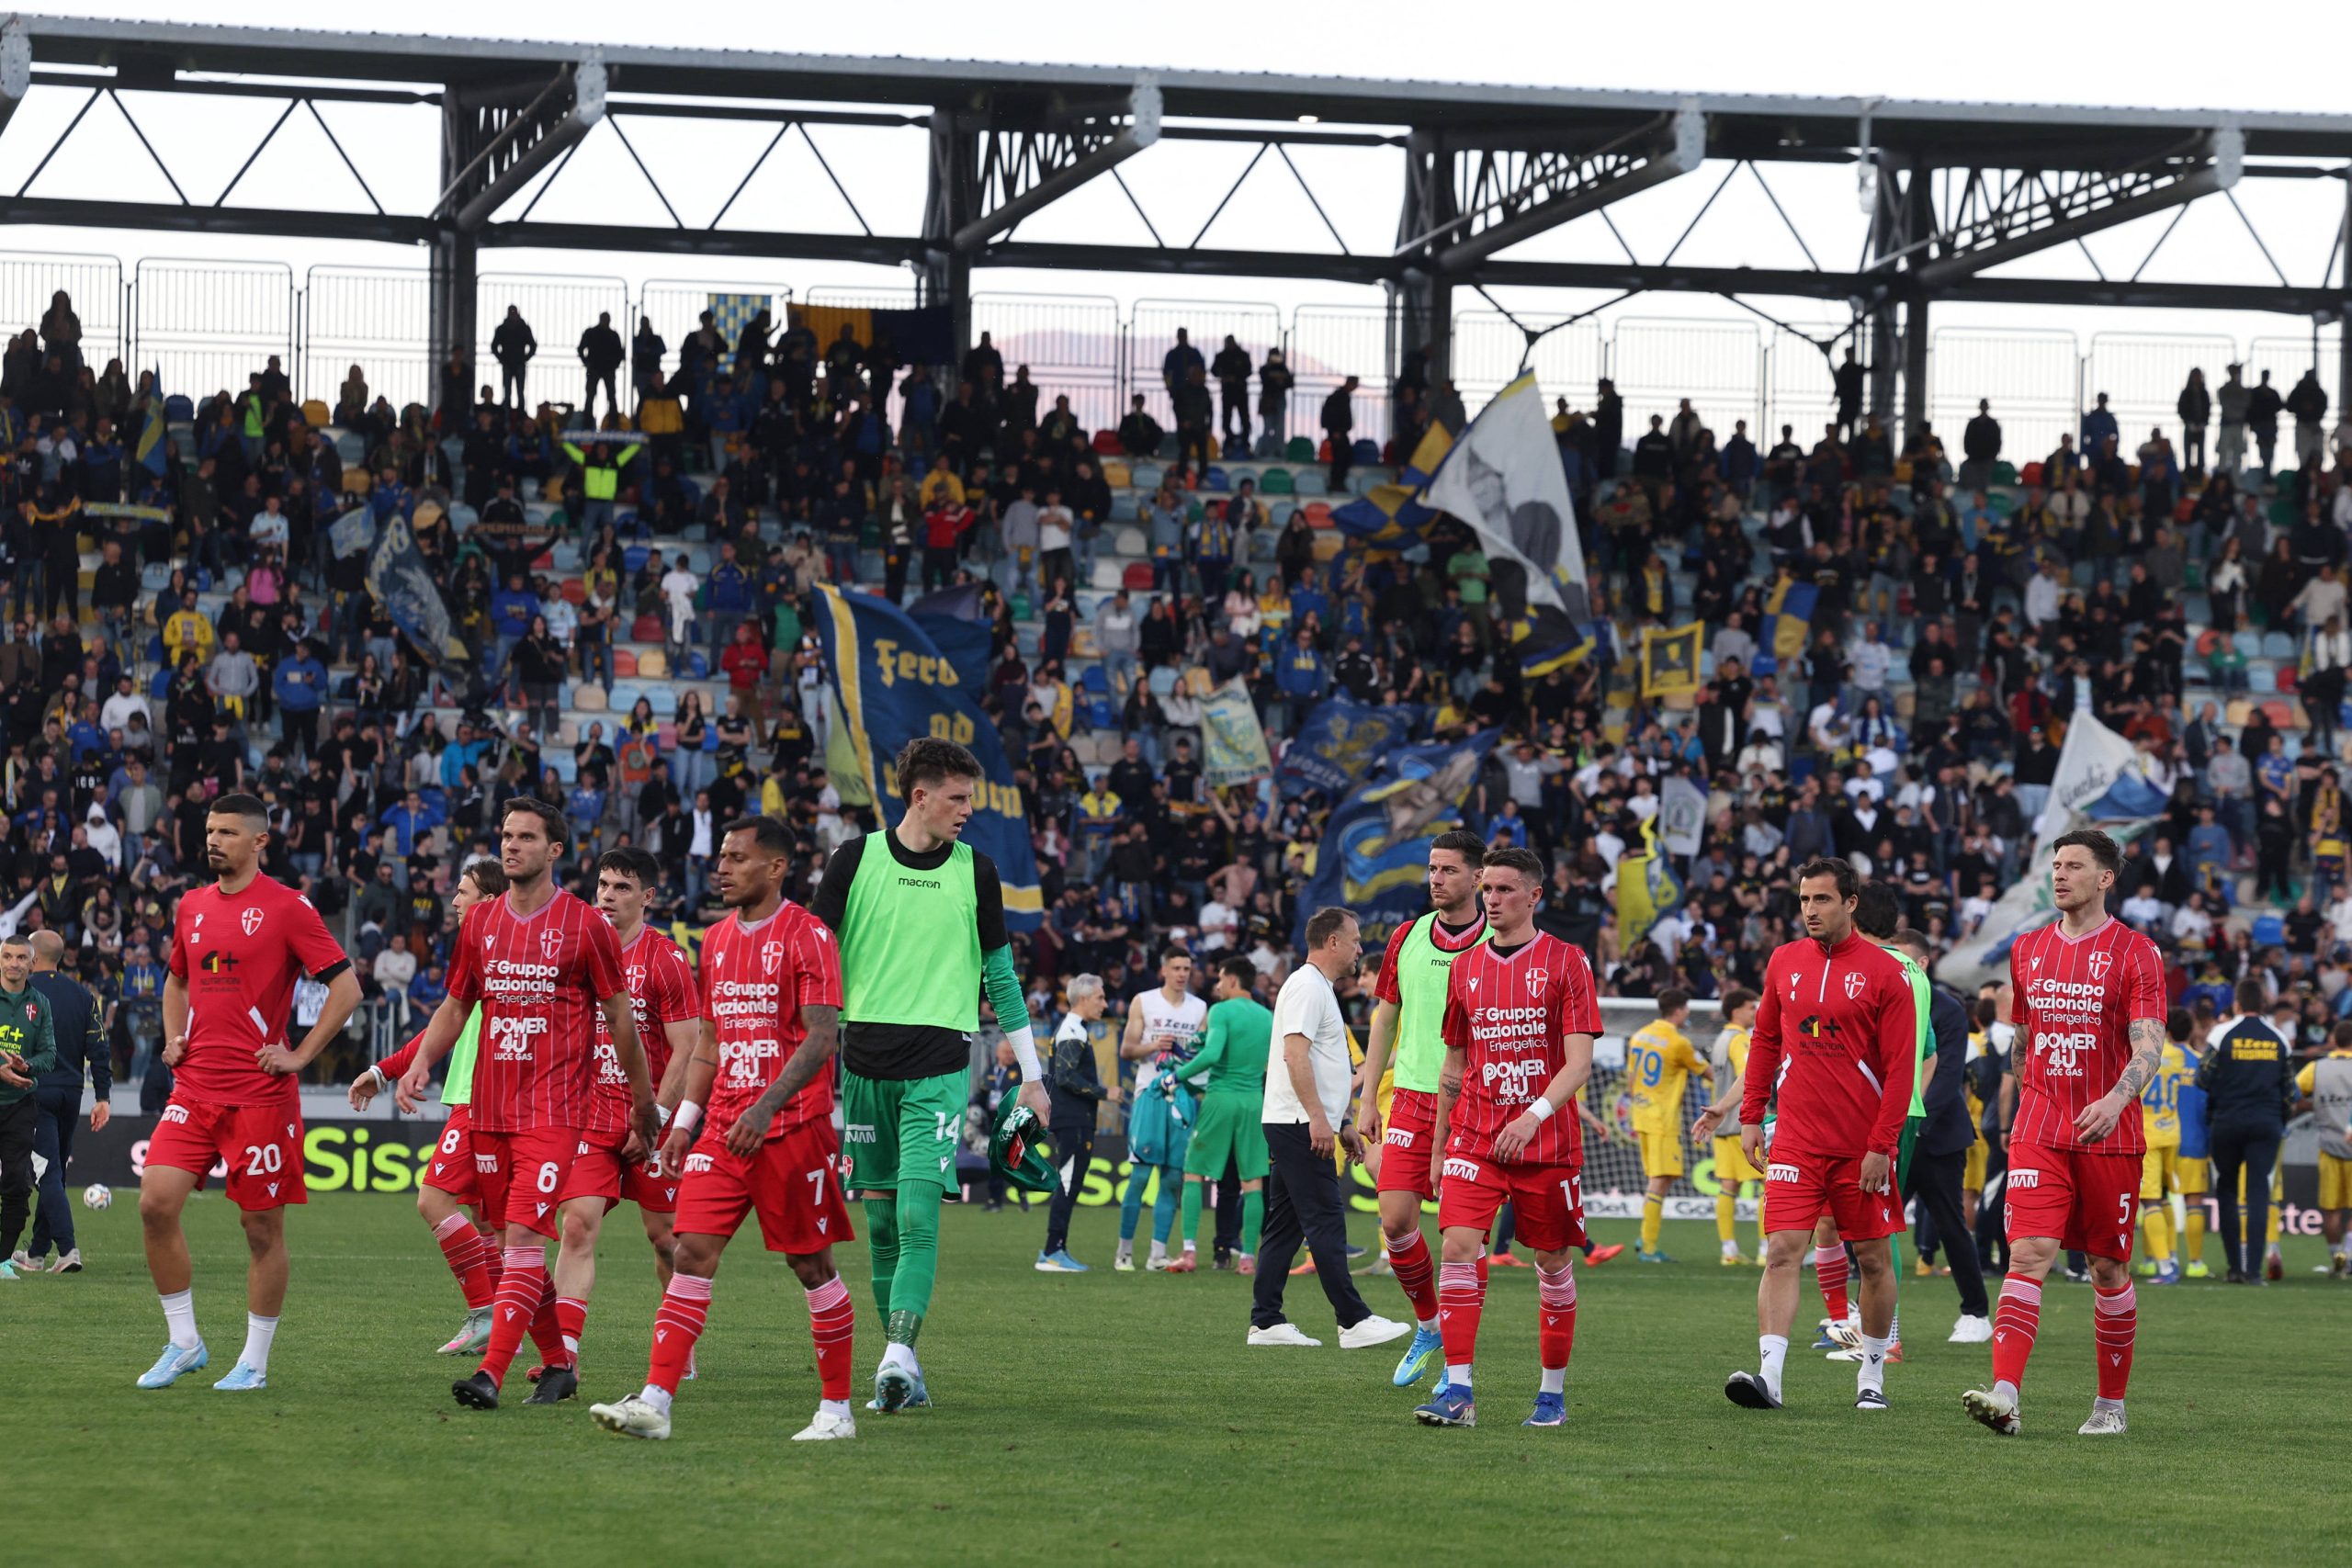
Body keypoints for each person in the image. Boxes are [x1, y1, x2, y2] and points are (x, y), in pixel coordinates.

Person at [589, 816, 857, 1443]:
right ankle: (656, 1400)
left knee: (811, 1264)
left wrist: (766, 1106)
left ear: (776, 867)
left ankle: (837, 1409)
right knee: (689, 1251)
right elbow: (710, 1040)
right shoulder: (716, 940)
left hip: (790, 1128)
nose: (723, 867)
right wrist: (683, 1119)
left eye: (737, 857)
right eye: (722, 856)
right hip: (723, 1130)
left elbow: (823, 1035)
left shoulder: (809, 935)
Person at [810, 739, 1049, 1414]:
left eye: (970, 797)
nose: (968, 810)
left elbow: (1000, 977)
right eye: (958, 797)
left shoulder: (977, 871)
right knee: (881, 1226)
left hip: (939, 1066)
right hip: (862, 1065)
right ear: (920, 796)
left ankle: (895, 1353)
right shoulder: (854, 860)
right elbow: (813, 957)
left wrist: (1032, 1076)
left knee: (917, 1213)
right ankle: (903, 1366)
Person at [396, 799, 654, 1411]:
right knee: (514, 1245)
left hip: (554, 1112)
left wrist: (644, 1101)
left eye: (526, 837)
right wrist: (418, 1061)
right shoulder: (481, 923)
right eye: (507, 835)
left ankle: (491, 1372)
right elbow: (457, 1005)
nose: (512, 846)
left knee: (520, 1240)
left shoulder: (584, 925)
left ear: (555, 850)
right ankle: (561, 1362)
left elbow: (620, 1016)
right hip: (488, 1110)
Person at [136, 792, 363, 1389]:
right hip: (194, 1086)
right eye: (210, 830)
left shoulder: (288, 908)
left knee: (261, 1230)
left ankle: (254, 1362)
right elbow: (176, 980)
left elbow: (346, 989)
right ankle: (183, 1339)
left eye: (228, 832)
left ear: (260, 841)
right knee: (155, 1203)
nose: (214, 840)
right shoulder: (191, 905)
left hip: (260, 1095)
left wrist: (300, 1054)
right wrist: (174, 1034)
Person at [1965, 829, 2165, 1439]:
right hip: (2042, 1129)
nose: (2059, 874)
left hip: (2111, 1132)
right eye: (2055, 864)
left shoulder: (2137, 952)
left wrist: (2114, 1096)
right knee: (2027, 1254)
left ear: (2106, 877)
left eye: (2073, 865)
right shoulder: (2027, 949)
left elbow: (2150, 1045)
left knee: (2108, 1267)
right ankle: (2005, 1395)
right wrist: (2021, 1106)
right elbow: (2023, 1039)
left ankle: (2110, 1405)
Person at [1405, 848, 1602, 1430]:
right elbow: (1454, 1063)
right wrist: (1440, 1146)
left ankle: (1551, 1394)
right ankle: (1459, 1391)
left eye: (1504, 889)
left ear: (1534, 895)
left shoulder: (1568, 963)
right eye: (1487, 888)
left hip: (1545, 1143)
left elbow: (1580, 1063)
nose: (1491, 899)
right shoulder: (1465, 967)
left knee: (1551, 1262)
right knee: (1459, 1249)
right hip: (1476, 1136)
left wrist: (1533, 1115)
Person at [1722, 856, 1916, 1414]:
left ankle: (1872, 1374)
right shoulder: (1784, 961)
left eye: (1822, 899)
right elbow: (1764, 1042)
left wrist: (1882, 1146)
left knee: (1874, 1261)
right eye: (1804, 900)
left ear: (1851, 903)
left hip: (1861, 1147)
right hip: (1796, 1140)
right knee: (1783, 1250)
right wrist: (1753, 1115)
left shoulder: (1887, 973)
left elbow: (1901, 1069)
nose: (1810, 910)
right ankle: (1770, 1377)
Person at [546, 847, 702, 1387]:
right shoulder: (579, 948)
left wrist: (656, 1116)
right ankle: (564, 1354)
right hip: (590, 1115)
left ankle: (679, 1338)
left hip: (653, 1114)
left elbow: (687, 1046)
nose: (608, 896)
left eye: (622, 888)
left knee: (665, 1239)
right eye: (604, 885)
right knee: (576, 1226)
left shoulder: (667, 959)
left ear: (647, 897)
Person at [346, 859, 507, 1354]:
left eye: (463, 892)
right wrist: (385, 1070)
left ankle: (485, 1314)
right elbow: (442, 1025)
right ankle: (509, 1327)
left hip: (482, 1106)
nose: (454, 901)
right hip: (484, 1104)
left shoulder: (496, 952)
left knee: (433, 1201)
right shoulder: (483, 950)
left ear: (490, 898)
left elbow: (444, 1021)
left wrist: (390, 1070)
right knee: (491, 1227)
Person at [1357, 830, 1491, 1385]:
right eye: (1432, 869)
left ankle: (1459, 1362)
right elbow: (1385, 1016)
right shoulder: (1406, 936)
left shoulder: (1498, 941)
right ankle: (1430, 1324)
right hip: (1411, 1096)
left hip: (1478, 1101)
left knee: (1463, 1241)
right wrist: (1367, 1095)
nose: (1436, 879)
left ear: (1478, 878)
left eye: (1449, 870)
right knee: (1395, 1221)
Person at [1248, 906, 1408, 1351]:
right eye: (1354, 940)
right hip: (1299, 1121)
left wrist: (1341, 1122)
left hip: (1300, 1119)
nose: (1360, 950)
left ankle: (1266, 1321)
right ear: (1332, 942)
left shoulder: (1315, 987)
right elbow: (1294, 1057)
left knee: (1285, 1225)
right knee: (1325, 1220)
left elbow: (1325, 1064)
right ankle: (1353, 1320)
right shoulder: (1305, 987)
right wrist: (1320, 1119)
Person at [1889, 924, 1993, 1342]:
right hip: (1890, 1135)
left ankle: (1976, 1313)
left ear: (1923, 963)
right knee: (1871, 1228)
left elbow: (1947, 1076)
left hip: (1935, 1138)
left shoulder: (1946, 1009)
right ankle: (1869, 1318)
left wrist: (1910, 1126)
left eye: (1902, 959)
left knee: (1950, 1223)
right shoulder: (1883, 998)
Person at [1170, 955, 1272, 1272]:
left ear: (1231, 979)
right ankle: (1248, 1258)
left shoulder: (1221, 1010)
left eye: (1219, 979)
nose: (1217, 986)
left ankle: (1188, 1253)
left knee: (1193, 1173)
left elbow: (1212, 1055)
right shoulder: (1268, 1016)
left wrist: (1176, 1076)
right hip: (1255, 1100)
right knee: (1253, 1181)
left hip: (1221, 1097)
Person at [15, 929, 107, 1275]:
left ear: (32, 958)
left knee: (46, 1172)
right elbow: (98, 1048)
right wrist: (103, 1096)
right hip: (72, 1092)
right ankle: (37, 1253)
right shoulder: (83, 995)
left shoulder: (23, 995)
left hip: (35, 1090)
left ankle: (68, 1249)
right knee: (55, 1172)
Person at [2195, 983, 2295, 1286]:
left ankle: (2235, 1269)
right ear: (2263, 1003)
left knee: (2226, 1189)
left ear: (2237, 1003)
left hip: (2228, 1120)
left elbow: (2203, 1077)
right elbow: (2289, 1091)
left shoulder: (2221, 1033)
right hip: (2266, 1122)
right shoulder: (2279, 1038)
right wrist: (2279, 1118)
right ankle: (2254, 1271)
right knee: (2258, 1193)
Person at [1113, 946, 1205, 1272]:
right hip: (1149, 1096)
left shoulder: (1200, 1008)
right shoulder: (1144, 1000)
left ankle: (1157, 1254)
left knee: (1172, 1179)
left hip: (1182, 1100)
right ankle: (1124, 1253)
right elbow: (1126, 1049)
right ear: (1164, 970)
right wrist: (1155, 1045)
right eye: (1177, 967)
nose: (1182, 973)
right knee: (1138, 1176)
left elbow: (1202, 1055)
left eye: (1187, 968)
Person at [1623, 987, 1709, 1264]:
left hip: (1641, 1113)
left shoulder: (1639, 1035)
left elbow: (1631, 1077)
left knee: (1662, 1178)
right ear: (1680, 1010)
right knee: (1660, 1181)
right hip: (1662, 1118)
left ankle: (1645, 1238)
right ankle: (1648, 1246)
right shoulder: (1678, 1042)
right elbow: (1707, 1071)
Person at [1036, 974, 1107, 1272]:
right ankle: (1052, 1251)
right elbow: (1065, 1077)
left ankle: (1056, 1249)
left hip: (1075, 1118)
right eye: (1100, 998)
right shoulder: (1072, 1030)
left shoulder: (1074, 1028)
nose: (1104, 1003)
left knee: (1070, 1183)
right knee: (1067, 1182)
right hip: (1073, 1118)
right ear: (1082, 999)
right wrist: (1105, 1092)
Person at [1692, 987, 1764, 1266]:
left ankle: (1729, 1251)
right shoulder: (1740, 1040)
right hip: (1741, 1122)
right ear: (1736, 1010)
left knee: (1727, 1187)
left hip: (1721, 1124)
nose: (1755, 1011)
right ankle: (1765, 1250)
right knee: (1767, 1186)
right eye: (1750, 1007)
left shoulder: (1721, 1039)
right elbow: (1751, 1073)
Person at [0, 934, 56, 1282]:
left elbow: (50, 1054)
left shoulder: (41, 1004)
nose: (14, 963)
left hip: (20, 1104)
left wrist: (26, 1067)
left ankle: (3, 1260)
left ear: (32, 963)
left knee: (18, 1185)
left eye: (21, 957)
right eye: (7, 956)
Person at [2130, 1008, 2198, 1287]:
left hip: (2148, 1136)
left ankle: (2165, 1265)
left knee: (2150, 1201)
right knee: (2167, 1197)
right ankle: (2170, 1255)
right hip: (2172, 1133)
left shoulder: (2142, 1054)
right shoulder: (2179, 1055)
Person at [2294, 1021, 2352, 1277]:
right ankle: (2349, 1257)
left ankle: (2336, 1259)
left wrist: (2315, 1105)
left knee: (2331, 1210)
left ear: (2333, 1039)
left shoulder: (2317, 1069)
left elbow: (2294, 1094)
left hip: (2329, 1146)